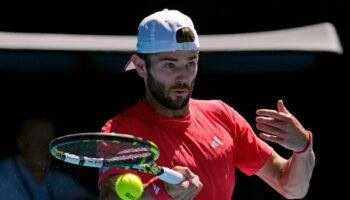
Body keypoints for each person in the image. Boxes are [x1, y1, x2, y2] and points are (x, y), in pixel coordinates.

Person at [98, 9, 316, 200]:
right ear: (141, 66)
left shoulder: (222, 115)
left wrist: (303, 149)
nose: (183, 76)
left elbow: (291, 189)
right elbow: (110, 196)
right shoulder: (121, 130)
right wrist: (160, 192)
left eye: (190, 63)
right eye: (169, 65)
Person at [0, 115, 98, 200]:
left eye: (51, 142)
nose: (47, 148)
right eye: (39, 140)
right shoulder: (3, 176)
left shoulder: (54, 177)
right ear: (21, 143)